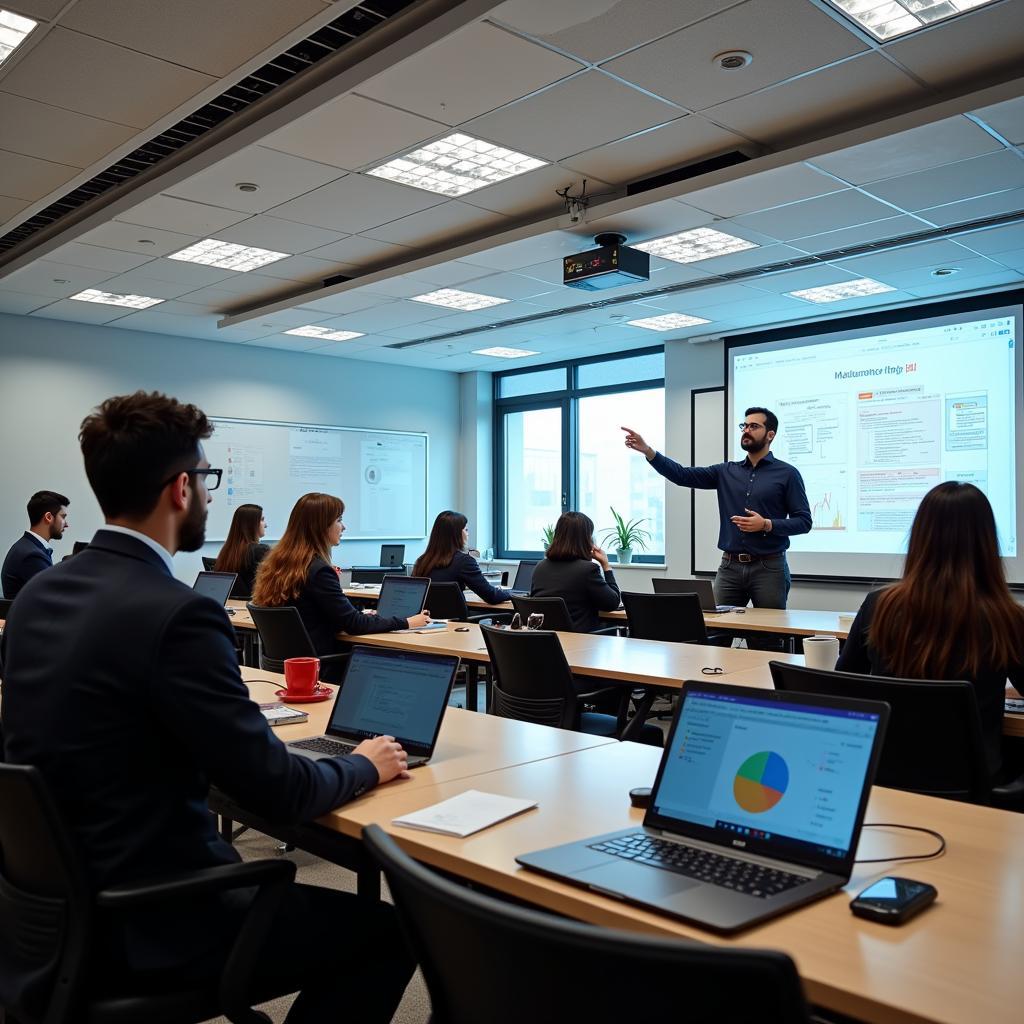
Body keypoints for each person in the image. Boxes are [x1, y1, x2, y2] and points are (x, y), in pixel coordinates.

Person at [0, 392, 415, 1022]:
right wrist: (364, 764)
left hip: (51, 911)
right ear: (180, 490)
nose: (211, 493)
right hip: (155, 920)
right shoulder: (178, 612)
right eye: (207, 478)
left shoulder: (39, 596)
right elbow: (279, 792)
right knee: (388, 933)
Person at [836, 481, 1024, 781]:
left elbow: (844, 683)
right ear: (987, 542)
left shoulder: (879, 605)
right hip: (970, 784)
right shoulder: (1007, 617)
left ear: (920, 538)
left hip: (884, 776)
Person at [622, 408, 811, 610]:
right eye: (744, 426)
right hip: (730, 567)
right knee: (716, 630)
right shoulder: (726, 471)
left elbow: (804, 521)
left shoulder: (788, 474)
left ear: (770, 435)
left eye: (754, 426)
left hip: (769, 568)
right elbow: (682, 476)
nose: (746, 430)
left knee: (769, 636)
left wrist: (766, 524)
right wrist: (649, 451)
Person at [252, 492, 429, 678]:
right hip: (321, 667)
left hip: (288, 667)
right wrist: (407, 622)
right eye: (339, 520)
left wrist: (360, 615)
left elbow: (318, 614)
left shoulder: (278, 564)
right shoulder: (318, 570)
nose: (343, 527)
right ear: (320, 527)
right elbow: (353, 624)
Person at [531, 511, 621, 633]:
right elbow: (612, 603)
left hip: (547, 643)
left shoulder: (540, 567)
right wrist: (606, 565)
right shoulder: (587, 570)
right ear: (585, 539)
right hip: (580, 644)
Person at [412, 510, 512, 604]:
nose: (468, 534)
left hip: (425, 621)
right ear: (456, 534)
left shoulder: (421, 562)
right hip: (457, 621)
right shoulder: (465, 562)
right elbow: (491, 596)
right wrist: (513, 593)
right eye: (466, 530)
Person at [1, 489, 70, 598]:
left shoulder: (26, 547)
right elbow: (57, 597)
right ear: (48, 517)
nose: (66, 525)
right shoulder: (31, 555)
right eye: (63, 517)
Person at [213, 502, 270, 598]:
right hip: (252, 608)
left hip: (233, 607)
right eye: (262, 520)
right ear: (251, 524)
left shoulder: (226, 552)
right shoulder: (260, 551)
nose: (266, 525)